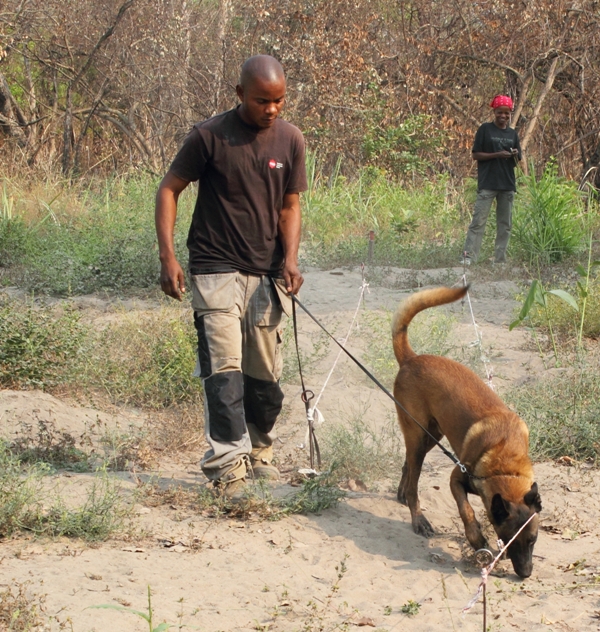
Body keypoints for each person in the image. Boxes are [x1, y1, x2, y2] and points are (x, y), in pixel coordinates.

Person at [155, 55, 307, 500]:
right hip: (214, 268)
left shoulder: (290, 140)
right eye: (262, 100)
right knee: (225, 371)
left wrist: (291, 259)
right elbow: (169, 188)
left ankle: (259, 454)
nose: (272, 109)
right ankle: (227, 469)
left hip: (266, 274)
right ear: (240, 94)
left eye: (279, 100)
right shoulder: (209, 135)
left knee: (264, 378)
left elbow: (290, 207)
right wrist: (168, 256)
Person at [461, 94, 522, 265]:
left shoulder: (512, 134)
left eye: (507, 113)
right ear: (494, 112)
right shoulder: (485, 130)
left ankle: (500, 259)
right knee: (478, 222)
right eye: (499, 112)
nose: (503, 116)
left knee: (505, 224)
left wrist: (515, 155)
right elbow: (475, 155)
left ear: (510, 113)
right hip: (488, 183)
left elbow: (518, 161)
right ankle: (469, 257)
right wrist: (496, 155)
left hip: (507, 185)